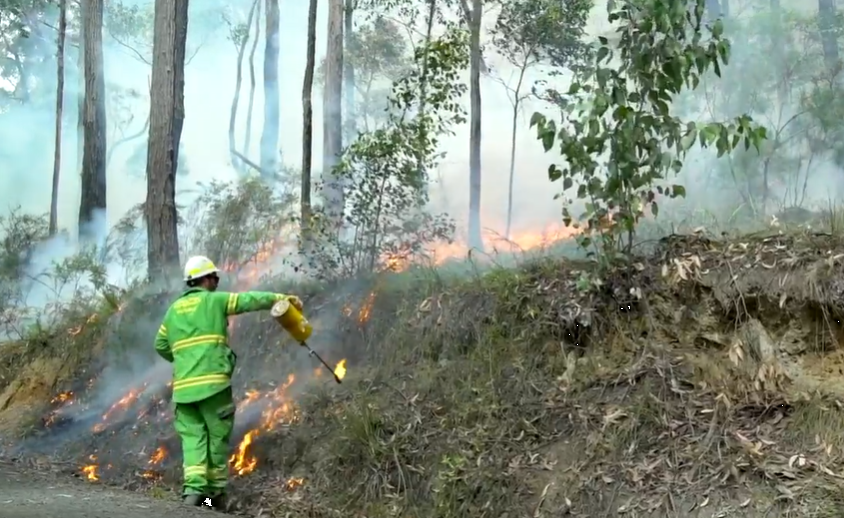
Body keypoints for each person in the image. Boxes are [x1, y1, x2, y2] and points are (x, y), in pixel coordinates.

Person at [154, 255, 303, 509]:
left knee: (193, 438)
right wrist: (281, 298)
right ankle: (215, 494)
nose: (216, 282)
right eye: (215, 278)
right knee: (217, 435)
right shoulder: (215, 301)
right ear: (207, 278)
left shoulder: (173, 311)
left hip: (184, 391)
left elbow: (160, 345)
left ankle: (193, 489)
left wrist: (182, 357)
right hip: (214, 386)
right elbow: (249, 300)